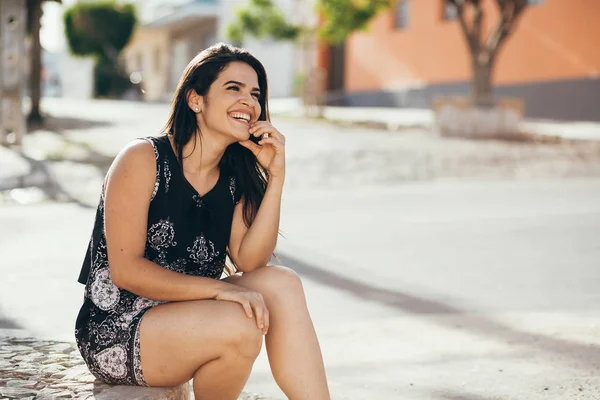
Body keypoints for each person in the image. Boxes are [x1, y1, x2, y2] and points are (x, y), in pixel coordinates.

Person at [74, 43, 330, 400]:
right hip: (119, 330)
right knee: (240, 325)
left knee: (282, 283)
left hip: (187, 316)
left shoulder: (232, 176)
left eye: (255, 94)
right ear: (196, 100)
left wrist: (276, 177)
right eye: (233, 89)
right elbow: (127, 271)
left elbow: (251, 262)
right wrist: (220, 289)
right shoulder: (143, 158)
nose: (249, 102)